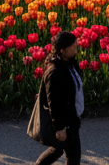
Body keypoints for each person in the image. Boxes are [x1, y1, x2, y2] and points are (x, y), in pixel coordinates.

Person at [32, 30, 84, 165]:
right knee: (72, 155)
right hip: (64, 121)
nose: (76, 47)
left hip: (71, 118)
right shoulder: (55, 71)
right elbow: (53, 103)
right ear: (63, 50)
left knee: (59, 150)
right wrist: (60, 128)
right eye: (73, 45)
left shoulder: (69, 63)